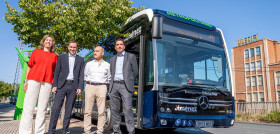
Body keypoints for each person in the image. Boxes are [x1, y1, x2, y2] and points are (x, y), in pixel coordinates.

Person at [19, 35, 57, 134]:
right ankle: (24, 131)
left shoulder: (54, 55)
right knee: (28, 107)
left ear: (53, 43)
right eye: (47, 40)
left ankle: (39, 132)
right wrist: (25, 81)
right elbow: (29, 67)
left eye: (51, 41)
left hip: (47, 82)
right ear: (43, 42)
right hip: (33, 80)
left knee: (42, 109)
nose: (48, 42)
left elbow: (54, 71)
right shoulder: (36, 52)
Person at [48, 40, 84, 134]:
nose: (72, 49)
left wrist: (80, 87)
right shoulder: (62, 57)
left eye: (74, 47)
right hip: (61, 85)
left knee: (69, 109)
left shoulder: (80, 59)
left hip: (73, 86)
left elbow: (81, 74)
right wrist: (54, 85)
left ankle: (64, 129)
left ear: (77, 48)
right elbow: (56, 72)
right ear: (68, 47)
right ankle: (51, 130)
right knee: (56, 108)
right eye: (71, 47)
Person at [109, 38, 138, 134]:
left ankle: (131, 131)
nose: (119, 46)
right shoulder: (112, 59)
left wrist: (129, 81)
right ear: (115, 47)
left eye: (121, 44)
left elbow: (135, 72)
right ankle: (117, 131)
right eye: (117, 44)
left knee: (128, 109)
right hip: (114, 86)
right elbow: (111, 73)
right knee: (115, 110)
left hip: (125, 86)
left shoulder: (131, 56)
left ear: (124, 46)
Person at [84, 46, 111, 134]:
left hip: (102, 87)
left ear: (102, 53)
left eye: (97, 51)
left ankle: (100, 131)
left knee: (101, 111)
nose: (95, 53)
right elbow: (85, 76)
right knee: (87, 111)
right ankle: (87, 131)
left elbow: (109, 78)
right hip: (90, 86)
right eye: (94, 51)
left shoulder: (107, 65)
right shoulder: (89, 64)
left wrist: (104, 85)